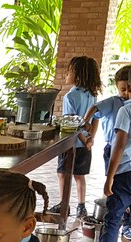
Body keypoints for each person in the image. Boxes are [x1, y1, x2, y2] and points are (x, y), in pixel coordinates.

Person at [76, 64, 131, 242]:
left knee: (113, 215)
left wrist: (110, 177)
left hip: (127, 172)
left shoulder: (127, 109)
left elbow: (119, 145)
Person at [83, 65, 131, 240]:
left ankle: (126, 221)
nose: (126, 93)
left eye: (129, 89)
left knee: (127, 188)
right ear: (117, 87)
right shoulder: (113, 102)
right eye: (122, 89)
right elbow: (95, 108)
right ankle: (118, 220)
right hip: (113, 150)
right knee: (115, 186)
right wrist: (85, 121)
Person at [50, 56, 102, 218]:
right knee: (80, 176)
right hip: (85, 145)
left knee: (63, 174)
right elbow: (96, 118)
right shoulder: (92, 95)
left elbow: (71, 123)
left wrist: (82, 139)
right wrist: (90, 138)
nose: (67, 75)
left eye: (70, 72)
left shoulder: (70, 97)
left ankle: (64, 204)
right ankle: (81, 206)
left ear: (78, 77)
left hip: (70, 144)